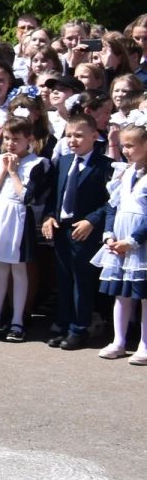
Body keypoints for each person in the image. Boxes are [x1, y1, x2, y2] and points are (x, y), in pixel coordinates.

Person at [0, 118, 43, 341]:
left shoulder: (36, 164)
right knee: (0, 268)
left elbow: (26, 196)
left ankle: (17, 320)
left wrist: (14, 172)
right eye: (7, 139)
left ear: (29, 140)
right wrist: (4, 171)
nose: (11, 144)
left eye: (16, 139)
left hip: (18, 218)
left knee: (19, 269)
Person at [96, 122, 147, 362]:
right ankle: (118, 340)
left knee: (144, 296)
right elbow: (112, 207)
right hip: (119, 242)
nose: (126, 151)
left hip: (140, 243)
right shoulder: (124, 172)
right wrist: (109, 235)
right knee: (121, 293)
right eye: (123, 145)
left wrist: (133, 240)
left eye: (131, 146)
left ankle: (144, 345)